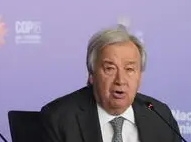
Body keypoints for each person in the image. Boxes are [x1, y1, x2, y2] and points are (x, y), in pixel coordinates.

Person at [40, 25, 182, 142]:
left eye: (129, 69)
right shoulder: (59, 118)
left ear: (140, 76)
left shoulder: (160, 116)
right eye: (110, 69)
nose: (120, 80)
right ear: (91, 74)